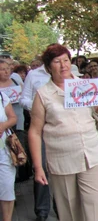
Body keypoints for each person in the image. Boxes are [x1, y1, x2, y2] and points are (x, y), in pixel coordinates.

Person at [28, 43, 98, 221]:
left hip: (90, 154)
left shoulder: (85, 85)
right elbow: (35, 132)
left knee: (95, 207)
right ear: (49, 67)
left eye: (66, 60)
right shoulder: (43, 94)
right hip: (62, 159)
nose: (63, 65)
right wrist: (38, 167)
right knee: (69, 210)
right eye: (57, 61)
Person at [19, 57, 52, 221]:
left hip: (62, 129)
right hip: (41, 127)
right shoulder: (33, 75)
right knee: (41, 168)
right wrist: (38, 106)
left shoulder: (71, 75)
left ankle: (62, 207)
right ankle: (42, 210)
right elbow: (23, 98)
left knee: (62, 170)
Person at [0, 91, 18, 221]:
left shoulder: (1, 96)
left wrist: (3, 125)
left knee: (7, 186)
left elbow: (12, 117)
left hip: (4, 150)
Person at [0, 60, 24, 131]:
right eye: (2, 69)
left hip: (18, 117)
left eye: (7, 68)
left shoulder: (16, 81)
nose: (6, 72)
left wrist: (21, 94)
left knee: (18, 139)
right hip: (3, 122)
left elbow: (25, 97)